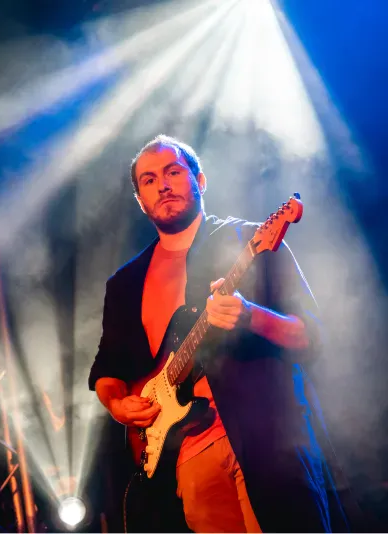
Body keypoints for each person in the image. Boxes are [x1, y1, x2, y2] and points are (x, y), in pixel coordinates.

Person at [88, 135, 349, 533]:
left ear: (200, 180)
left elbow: (312, 337)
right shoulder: (124, 284)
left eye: (173, 172)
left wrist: (251, 316)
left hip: (265, 440)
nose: (162, 184)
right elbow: (108, 370)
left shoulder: (249, 239)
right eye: (149, 179)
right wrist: (117, 405)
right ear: (140, 199)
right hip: (186, 460)